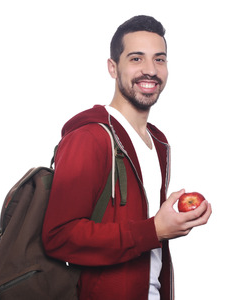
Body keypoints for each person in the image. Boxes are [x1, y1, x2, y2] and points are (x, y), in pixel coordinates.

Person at [42, 15, 212, 300]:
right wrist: (154, 229)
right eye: (136, 59)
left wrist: (172, 223)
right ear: (113, 67)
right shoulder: (89, 138)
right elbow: (59, 236)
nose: (150, 70)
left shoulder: (157, 141)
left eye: (159, 59)